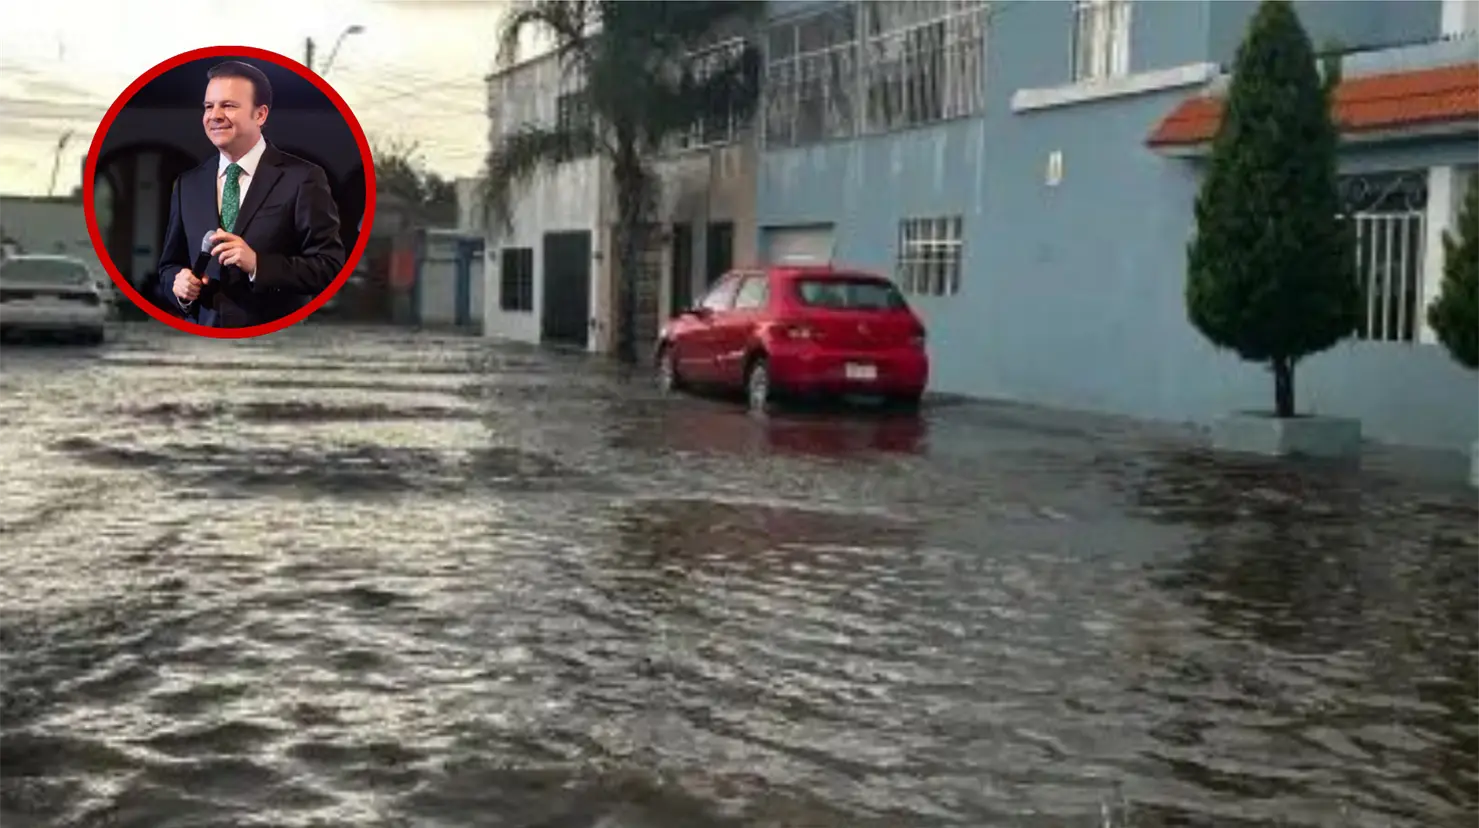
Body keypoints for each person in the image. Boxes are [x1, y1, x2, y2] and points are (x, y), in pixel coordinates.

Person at [156, 60, 345, 328]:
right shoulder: (188, 184)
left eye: (228, 105)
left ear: (260, 115)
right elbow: (169, 266)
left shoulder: (302, 178)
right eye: (209, 106)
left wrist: (258, 264)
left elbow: (328, 266)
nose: (215, 115)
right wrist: (179, 286)